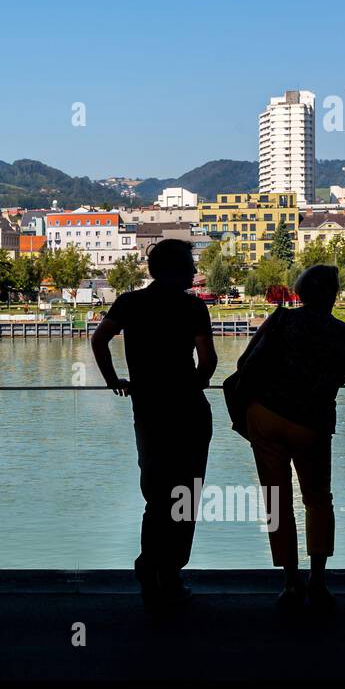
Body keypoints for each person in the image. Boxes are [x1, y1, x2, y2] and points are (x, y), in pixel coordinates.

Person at [91, 239, 216, 609]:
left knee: (157, 493)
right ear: (177, 271)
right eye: (190, 266)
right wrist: (194, 383)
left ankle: (150, 567)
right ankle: (171, 572)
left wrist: (114, 381)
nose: (195, 272)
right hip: (189, 411)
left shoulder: (130, 303)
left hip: (148, 410)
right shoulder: (193, 307)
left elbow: (100, 340)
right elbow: (207, 360)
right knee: (185, 494)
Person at [235, 265, 345, 611]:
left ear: (301, 292)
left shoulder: (282, 321)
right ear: (332, 295)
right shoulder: (344, 333)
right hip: (312, 422)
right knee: (318, 500)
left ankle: (290, 581)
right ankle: (318, 580)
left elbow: (245, 363)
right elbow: (343, 375)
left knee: (276, 499)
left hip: (267, 416)